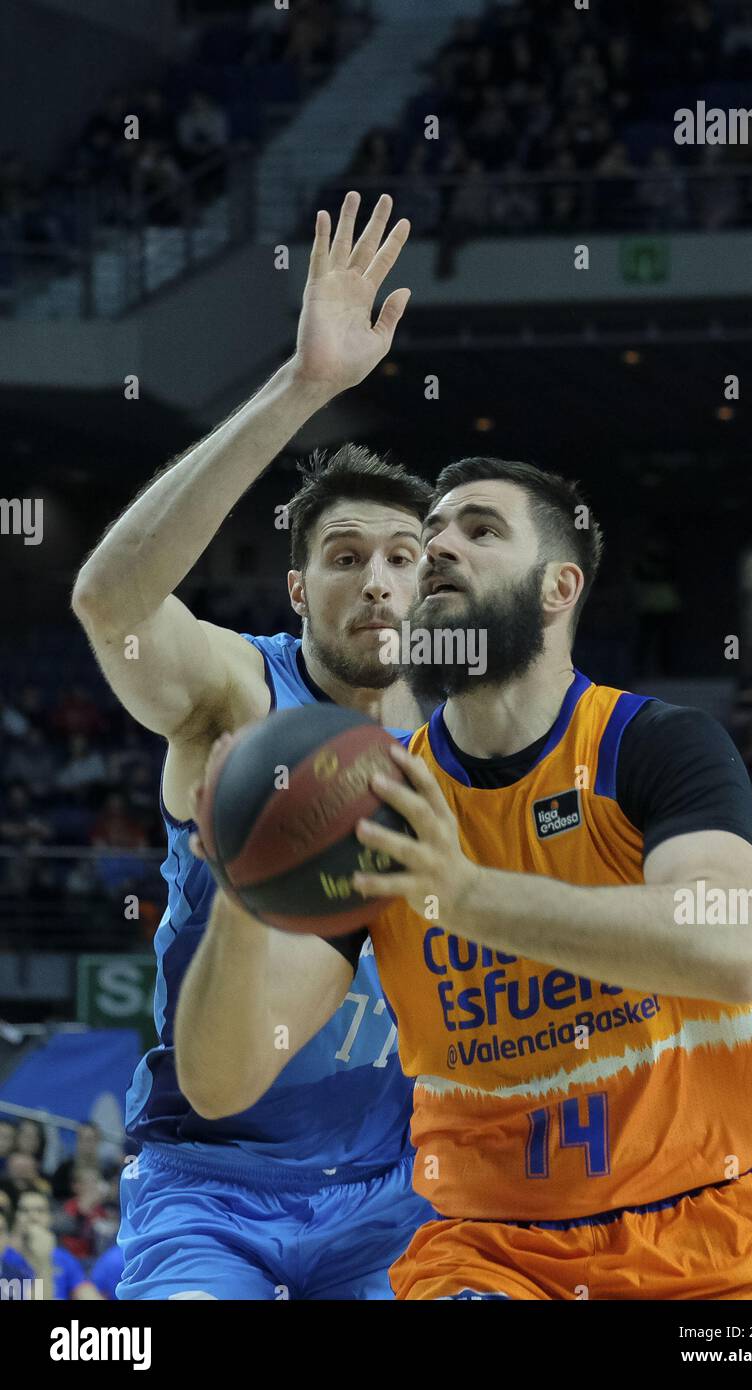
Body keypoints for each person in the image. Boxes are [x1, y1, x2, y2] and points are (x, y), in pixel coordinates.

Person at [199, 456, 752, 1299]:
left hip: (718, 1239)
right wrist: (243, 888)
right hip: (492, 1255)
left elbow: (731, 945)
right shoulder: (379, 802)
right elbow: (223, 1081)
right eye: (430, 534)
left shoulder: (651, 745)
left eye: (480, 530)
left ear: (558, 587)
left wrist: (465, 898)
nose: (437, 549)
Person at [72, 191, 434, 1300]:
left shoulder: (479, 740)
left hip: (395, 1190)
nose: (374, 576)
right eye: (342, 554)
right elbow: (109, 600)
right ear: (296, 586)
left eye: (401, 556)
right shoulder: (240, 690)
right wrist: (303, 388)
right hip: (211, 1181)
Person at [13, 1189, 101, 1299]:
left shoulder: (63, 1258)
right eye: (24, 1210)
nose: (32, 1216)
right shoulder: (6, 1257)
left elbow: (86, 1292)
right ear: (15, 1217)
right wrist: (44, 1261)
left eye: (40, 1211)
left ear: (50, 1218)